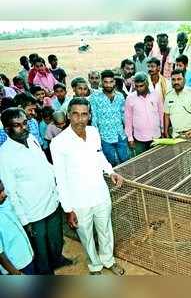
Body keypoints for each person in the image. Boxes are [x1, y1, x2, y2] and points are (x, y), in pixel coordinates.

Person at [50, 98, 125, 275]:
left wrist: (111, 171)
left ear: (89, 116)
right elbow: (60, 178)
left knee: (106, 230)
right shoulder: (59, 143)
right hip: (79, 201)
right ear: (68, 115)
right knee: (86, 236)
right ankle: (95, 266)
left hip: (100, 193)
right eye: (75, 114)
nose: (80, 119)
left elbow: (99, 156)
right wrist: (68, 209)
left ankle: (108, 260)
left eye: (84, 114)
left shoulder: (93, 132)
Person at [0, 107, 71, 274]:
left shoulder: (31, 138)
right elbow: (11, 192)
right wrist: (25, 222)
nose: (24, 128)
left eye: (25, 123)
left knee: (56, 240)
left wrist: (63, 174)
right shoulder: (4, 155)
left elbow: (45, 165)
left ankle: (57, 260)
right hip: (33, 212)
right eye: (18, 125)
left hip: (51, 202)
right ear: (7, 129)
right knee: (41, 251)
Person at [90, 70, 129, 167]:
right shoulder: (95, 97)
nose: (108, 85)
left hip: (120, 135)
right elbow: (94, 118)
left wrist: (128, 134)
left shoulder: (120, 96)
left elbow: (124, 115)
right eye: (105, 82)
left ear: (114, 82)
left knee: (125, 160)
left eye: (111, 82)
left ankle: (128, 181)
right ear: (101, 82)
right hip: (105, 137)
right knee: (111, 163)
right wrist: (96, 137)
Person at [0, 179, 35, 275]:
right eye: (0, 192)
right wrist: (15, 273)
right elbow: (0, 255)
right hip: (17, 267)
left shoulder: (5, 203)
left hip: (27, 257)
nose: (4, 194)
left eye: (2, 190)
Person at [125, 72, 164, 156]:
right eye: (137, 86)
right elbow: (128, 119)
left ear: (147, 83)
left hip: (156, 136)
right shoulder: (130, 98)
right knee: (142, 164)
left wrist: (163, 130)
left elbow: (161, 114)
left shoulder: (156, 95)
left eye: (141, 86)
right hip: (139, 138)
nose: (139, 89)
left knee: (157, 161)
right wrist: (130, 137)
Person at [164, 69, 191, 138]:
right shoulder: (168, 95)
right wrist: (166, 132)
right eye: (173, 80)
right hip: (175, 136)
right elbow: (166, 115)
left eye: (179, 79)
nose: (176, 82)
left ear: (184, 80)